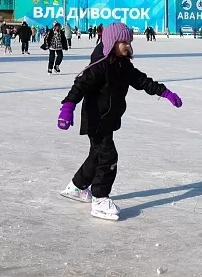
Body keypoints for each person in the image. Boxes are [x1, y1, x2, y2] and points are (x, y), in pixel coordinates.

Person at [56, 22, 183, 221]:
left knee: (96, 156)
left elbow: (142, 81)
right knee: (108, 157)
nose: (127, 45)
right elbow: (80, 85)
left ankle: (76, 187)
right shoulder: (100, 66)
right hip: (96, 119)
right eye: (123, 41)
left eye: (129, 41)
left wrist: (164, 92)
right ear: (111, 42)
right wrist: (67, 107)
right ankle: (100, 199)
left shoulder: (123, 65)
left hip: (108, 118)